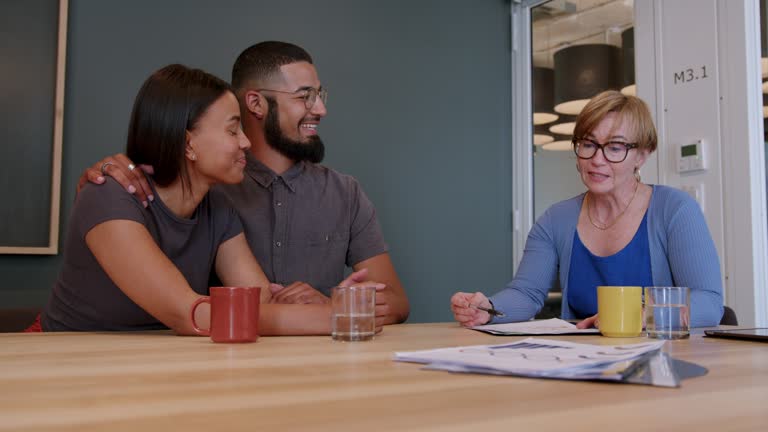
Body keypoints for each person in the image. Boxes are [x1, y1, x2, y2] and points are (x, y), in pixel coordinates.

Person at [78, 42, 409, 325]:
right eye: (304, 96)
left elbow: (261, 305)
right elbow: (192, 313)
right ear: (189, 143)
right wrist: (340, 312)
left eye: (319, 95)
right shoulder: (120, 191)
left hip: (186, 360)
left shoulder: (218, 204)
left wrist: (326, 307)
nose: (320, 109)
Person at [451, 90, 723, 329]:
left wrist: (641, 316)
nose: (596, 159)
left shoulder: (674, 209)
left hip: (661, 361)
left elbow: (709, 302)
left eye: (615, 147)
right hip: (581, 361)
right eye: (588, 144)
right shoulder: (555, 219)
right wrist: (487, 309)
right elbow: (526, 293)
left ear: (643, 154)